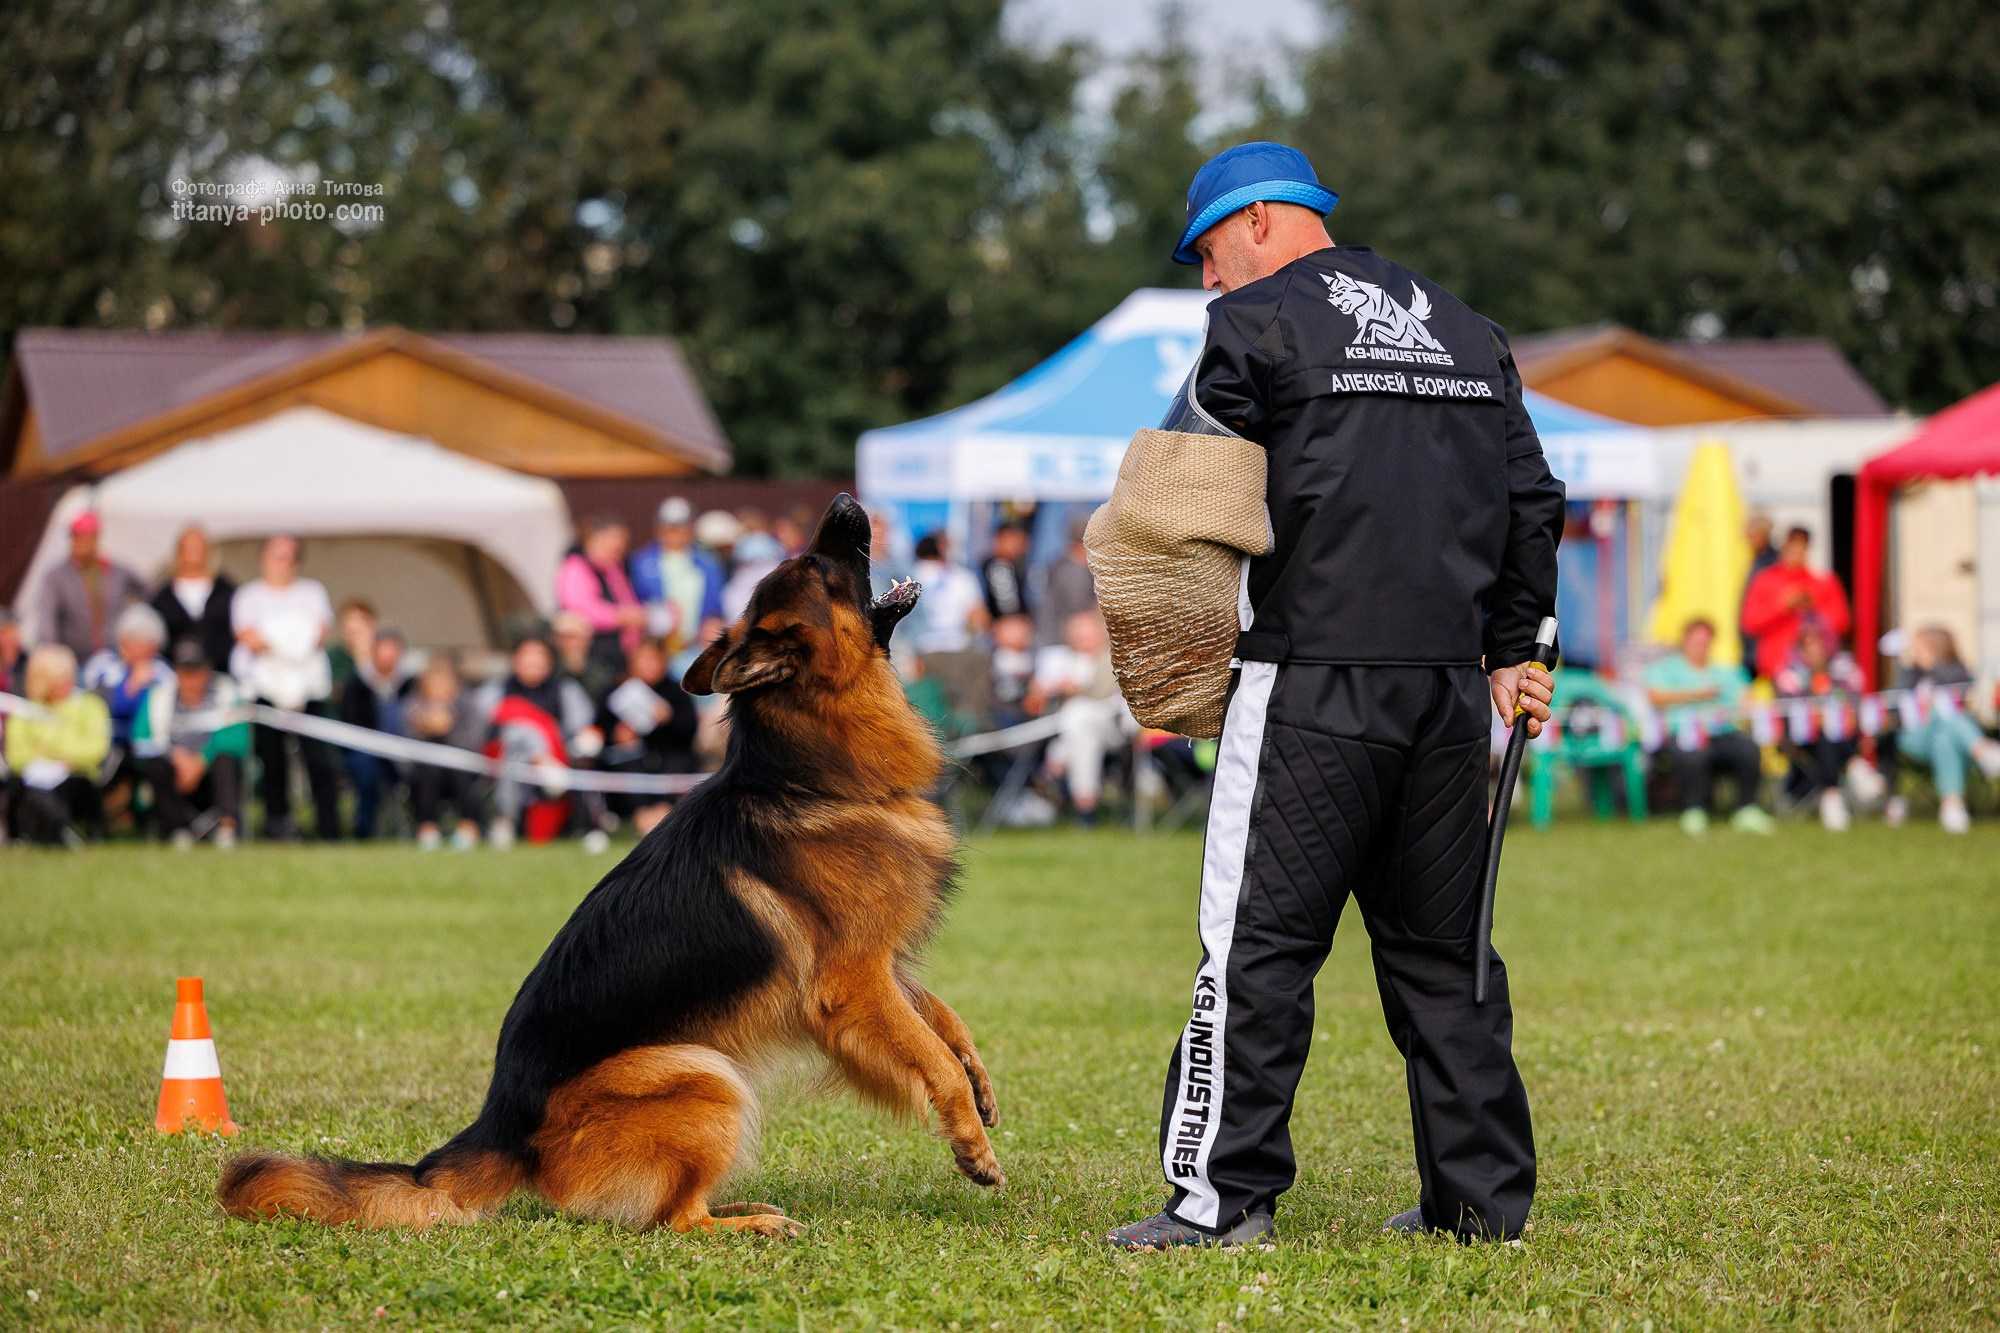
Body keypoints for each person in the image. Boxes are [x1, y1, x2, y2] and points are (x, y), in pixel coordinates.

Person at [1105, 142, 1562, 1252]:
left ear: (1259, 220)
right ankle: (1475, 1207)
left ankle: (1219, 1206)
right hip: (1451, 695)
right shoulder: (1466, 329)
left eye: (1208, 253)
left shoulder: (1252, 325)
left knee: (1253, 947)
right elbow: (1533, 496)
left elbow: (1169, 493)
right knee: (1444, 955)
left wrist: (1160, 633)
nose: (1207, 280)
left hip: (1307, 684)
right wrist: (1514, 647)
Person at [232, 533, 341, 840]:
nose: (283, 563)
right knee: (273, 759)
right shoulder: (249, 596)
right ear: (263, 558)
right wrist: (295, 642)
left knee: (319, 759)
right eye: (277, 555)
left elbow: (320, 633)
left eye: (289, 556)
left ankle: (328, 827)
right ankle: (278, 823)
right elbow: (248, 637)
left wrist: (277, 642)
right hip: (265, 689)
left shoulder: (311, 591)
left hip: (309, 690)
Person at [1642, 618, 1773, 836]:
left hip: (1722, 731)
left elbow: (1746, 699)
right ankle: (1693, 810)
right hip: (1683, 732)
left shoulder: (1726, 672)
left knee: (1748, 749)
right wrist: (1697, 694)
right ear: (1684, 642)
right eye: (1696, 641)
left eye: (1705, 641)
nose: (1701, 646)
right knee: (1692, 753)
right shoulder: (1665, 669)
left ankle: (1747, 809)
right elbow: (1654, 697)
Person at [472, 635, 600, 850]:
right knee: (517, 736)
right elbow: (479, 728)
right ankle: (541, 761)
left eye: (539, 656)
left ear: (550, 662)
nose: (533, 662)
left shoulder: (565, 690)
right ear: (515, 660)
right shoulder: (495, 690)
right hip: (503, 760)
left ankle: (506, 821)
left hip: (559, 757)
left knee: (521, 744)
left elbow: (582, 726)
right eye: (527, 656)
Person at [131, 638, 249, 848]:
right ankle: (176, 831)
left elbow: (239, 739)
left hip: (212, 776)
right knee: (156, 766)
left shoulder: (227, 692)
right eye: (185, 671)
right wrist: (175, 756)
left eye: (196, 670)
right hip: (175, 775)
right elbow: (140, 740)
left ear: (208, 670)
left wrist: (202, 759)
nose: (191, 678)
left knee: (226, 759)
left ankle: (227, 829)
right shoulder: (159, 696)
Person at [1883, 626, 2000, 833]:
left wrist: (1932, 666)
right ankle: (1984, 752)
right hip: (1915, 737)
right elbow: (1893, 700)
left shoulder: (1955, 670)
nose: (1916, 651)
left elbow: (1962, 688)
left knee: (1944, 738)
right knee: (1945, 714)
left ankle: (1952, 807)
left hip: (1947, 739)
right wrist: (1903, 663)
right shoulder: (1911, 673)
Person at [1026, 610, 1128, 824]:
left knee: (1078, 711)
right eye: (1079, 635)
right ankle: (1086, 806)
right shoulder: (1060, 660)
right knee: (1081, 731)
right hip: (1077, 731)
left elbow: (1107, 695)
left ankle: (1054, 764)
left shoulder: (1113, 659)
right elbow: (1035, 702)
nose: (1084, 640)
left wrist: (1076, 691)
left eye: (1088, 634)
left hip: (1112, 728)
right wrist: (1045, 690)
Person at [1772, 617, 1873, 831]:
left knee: (1831, 731)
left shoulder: (1843, 667)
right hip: (1801, 736)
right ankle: (1855, 769)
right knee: (1824, 731)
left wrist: (1842, 714)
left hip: (1844, 731)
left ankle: (1831, 797)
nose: (1814, 649)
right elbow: (1789, 709)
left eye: (1818, 642)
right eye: (1807, 644)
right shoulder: (1789, 672)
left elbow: (1855, 699)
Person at [4, 644, 111, 845]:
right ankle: (53, 833)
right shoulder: (24, 710)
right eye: (58, 679)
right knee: (29, 790)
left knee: (57, 793)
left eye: (68, 676)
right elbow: (16, 755)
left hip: (76, 778)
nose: (66, 683)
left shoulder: (90, 706)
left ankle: (53, 832)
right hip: (32, 780)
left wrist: (53, 754)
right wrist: (53, 758)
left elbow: (96, 750)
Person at [597, 637, 700, 836]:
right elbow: (599, 727)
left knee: (676, 763)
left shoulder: (676, 691)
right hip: (631, 761)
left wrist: (669, 718)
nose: (647, 665)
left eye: (653, 659)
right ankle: (642, 816)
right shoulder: (617, 690)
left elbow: (689, 732)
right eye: (642, 659)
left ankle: (662, 813)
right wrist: (616, 735)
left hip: (670, 758)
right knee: (627, 762)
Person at [1740, 527, 1850, 681]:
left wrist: (1814, 606)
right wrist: (1783, 606)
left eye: (1801, 547)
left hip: (1815, 671)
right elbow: (1749, 623)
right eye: (1792, 546)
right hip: (1775, 670)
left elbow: (1842, 623)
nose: (1797, 552)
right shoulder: (1765, 579)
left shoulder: (1823, 581)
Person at [36, 511, 142, 662]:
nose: (82, 543)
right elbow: (46, 618)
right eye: (77, 537)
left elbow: (148, 591)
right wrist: (50, 654)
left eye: (87, 537)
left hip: (115, 655)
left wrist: (132, 619)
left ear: (96, 539)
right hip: (74, 657)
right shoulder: (57, 576)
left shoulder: (115, 570)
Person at [404, 656, 486, 851]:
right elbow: (405, 747)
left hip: (463, 772)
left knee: (455, 763)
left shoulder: (469, 707)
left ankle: (469, 826)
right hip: (424, 773)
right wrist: (425, 730)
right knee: (432, 767)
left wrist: (448, 732)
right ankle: (427, 827)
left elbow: (475, 742)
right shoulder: (412, 708)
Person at [338, 626, 412, 839]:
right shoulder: (356, 683)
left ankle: (424, 826)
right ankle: (365, 827)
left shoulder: (410, 685)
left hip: (404, 751)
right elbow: (350, 722)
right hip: (366, 751)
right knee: (366, 767)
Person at [629, 497, 725, 661]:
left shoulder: (708, 562)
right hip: (656, 646)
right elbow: (636, 599)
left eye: (680, 528)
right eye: (669, 528)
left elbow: (715, 605)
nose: (675, 534)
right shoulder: (642, 561)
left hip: (697, 646)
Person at [557, 515, 646, 673]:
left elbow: (627, 599)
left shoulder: (615, 567)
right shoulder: (576, 567)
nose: (620, 544)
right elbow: (580, 609)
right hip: (594, 656)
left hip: (621, 653)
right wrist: (620, 617)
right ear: (595, 537)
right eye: (615, 538)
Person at [150, 526, 237, 673]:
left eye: (198, 547)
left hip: (221, 673)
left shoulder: (226, 591)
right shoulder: (162, 597)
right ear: (179, 552)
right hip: (176, 676)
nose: (193, 553)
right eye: (188, 548)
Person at [906, 533, 990, 656]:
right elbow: (978, 616)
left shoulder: (909, 572)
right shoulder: (962, 576)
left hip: (917, 646)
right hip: (955, 646)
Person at [1034, 516, 1098, 649]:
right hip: (1062, 646)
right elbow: (1080, 616)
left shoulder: (1063, 565)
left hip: (1058, 643)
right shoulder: (1070, 572)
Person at [981, 522, 1034, 621]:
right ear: (999, 539)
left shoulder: (1016, 566)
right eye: (1013, 540)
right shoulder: (997, 567)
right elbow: (1008, 611)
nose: (1018, 546)